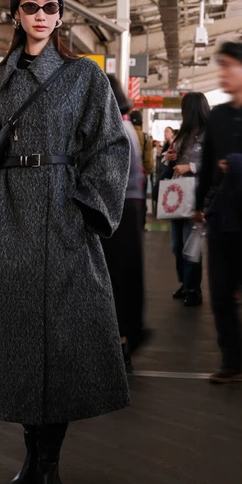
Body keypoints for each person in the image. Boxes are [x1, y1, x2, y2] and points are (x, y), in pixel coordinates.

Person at [0, 0, 131, 484]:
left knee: (63, 347)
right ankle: (30, 459)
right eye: (30, 6)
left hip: (64, 220)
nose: (41, 16)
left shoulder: (83, 77)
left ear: (60, 15)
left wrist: (88, 206)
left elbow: (111, 147)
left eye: (50, 7)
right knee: (18, 345)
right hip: (6, 220)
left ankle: (50, 465)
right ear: (15, 13)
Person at [194, 40, 242, 384]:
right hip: (223, 217)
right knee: (220, 292)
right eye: (221, 66)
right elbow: (207, 164)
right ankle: (232, 362)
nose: (223, 73)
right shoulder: (218, 116)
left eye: (229, 65)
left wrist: (241, 165)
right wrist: (199, 204)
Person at [103, 75, 145, 373]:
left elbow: (109, 177)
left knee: (115, 280)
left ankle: (119, 349)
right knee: (123, 279)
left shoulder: (116, 128)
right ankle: (121, 344)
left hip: (117, 213)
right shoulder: (125, 126)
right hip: (126, 211)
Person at [163, 92, 210, 306]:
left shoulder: (208, 133)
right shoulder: (183, 132)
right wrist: (169, 157)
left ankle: (193, 289)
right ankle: (184, 283)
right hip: (177, 194)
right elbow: (173, 158)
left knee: (191, 246)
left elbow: (213, 163)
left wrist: (189, 167)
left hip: (195, 196)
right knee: (176, 245)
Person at [129, 110, 153, 229]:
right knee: (141, 201)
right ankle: (141, 225)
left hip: (126, 175)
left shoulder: (125, 133)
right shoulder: (145, 137)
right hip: (141, 174)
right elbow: (148, 160)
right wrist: (146, 171)